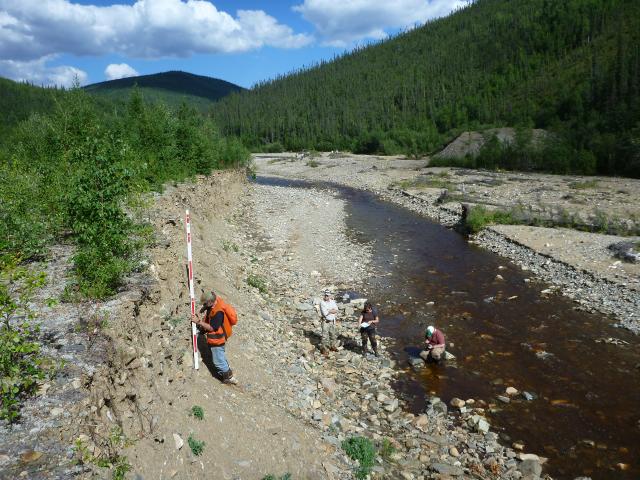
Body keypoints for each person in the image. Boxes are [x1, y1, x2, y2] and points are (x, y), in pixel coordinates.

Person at [191, 291, 238, 384]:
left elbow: (212, 327)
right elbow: (208, 311)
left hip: (218, 339)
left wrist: (198, 322)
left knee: (218, 360)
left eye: (205, 304)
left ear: (210, 302)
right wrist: (203, 309)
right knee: (220, 357)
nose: (204, 305)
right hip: (217, 338)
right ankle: (227, 373)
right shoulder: (214, 303)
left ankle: (229, 377)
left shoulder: (218, 313)